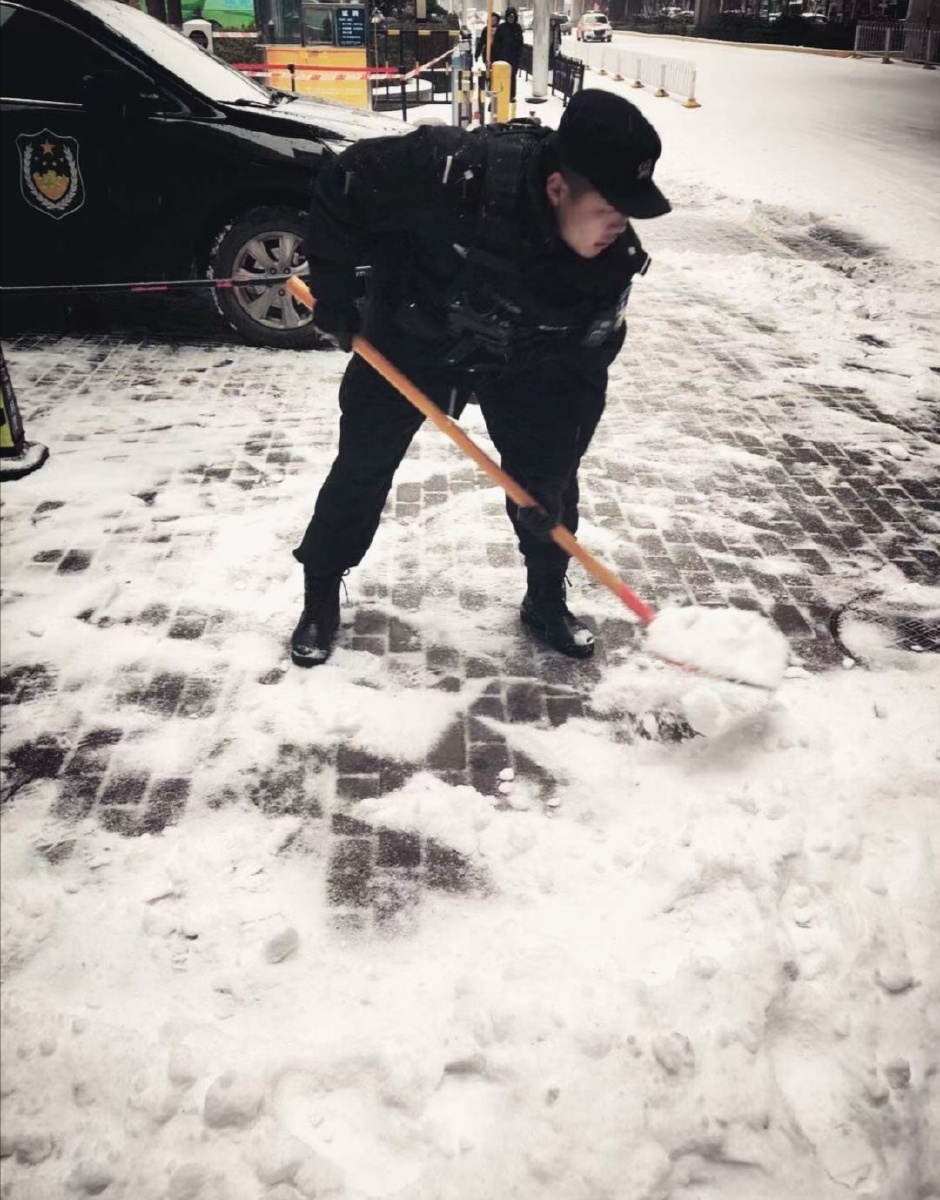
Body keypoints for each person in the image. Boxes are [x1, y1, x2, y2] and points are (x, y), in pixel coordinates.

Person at [291, 90, 671, 667]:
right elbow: (341, 183)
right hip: (409, 337)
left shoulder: (610, 267)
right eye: (608, 210)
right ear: (557, 188)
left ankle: (545, 597)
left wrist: (549, 480)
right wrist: (335, 296)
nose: (618, 228)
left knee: (549, 481)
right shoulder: (448, 171)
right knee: (362, 465)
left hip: (523, 359)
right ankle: (320, 590)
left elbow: (581, 381)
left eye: (628, 215)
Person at [490, 5, 523, 102]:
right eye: (509, 17)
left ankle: (511, 95)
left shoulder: (517, 28)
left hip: (513, 57)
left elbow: (520, 43)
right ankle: (502, 93)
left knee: (512, 76)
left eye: (512, 17)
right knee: (502, 76)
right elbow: (496, 43)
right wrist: (495, 56)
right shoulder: (501, 28)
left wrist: (519, 56)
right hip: (502, 57)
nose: (511, 19)